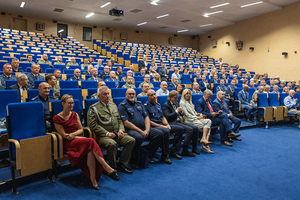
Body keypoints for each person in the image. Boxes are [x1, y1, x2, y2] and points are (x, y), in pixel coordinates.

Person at [54, 94, 119, 190]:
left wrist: (75, 134)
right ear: (63, 103)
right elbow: (64, 135)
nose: (71, 105)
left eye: (72, 103)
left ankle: (93, 179)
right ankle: (106, 167)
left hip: (80, 140)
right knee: (91, 141)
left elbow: (81, 130)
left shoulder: (74, 114)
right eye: (69, 103)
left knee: (90, 149)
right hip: (69, 143)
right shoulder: (57, 118)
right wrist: (75, 136)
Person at [88, 86, 135, 173]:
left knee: (131, 140)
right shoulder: (93, 108)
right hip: (102, 136)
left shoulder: (113, 105)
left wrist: (121, 129)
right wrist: (107, 133)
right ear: (99, 96)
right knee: (112, 144)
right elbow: (92, 125)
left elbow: (120, 120)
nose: (107, 96)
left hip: (116, 133)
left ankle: (121, 163)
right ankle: (112, 168)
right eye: (104, 94)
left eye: (108, 94)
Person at [118, 89, 165, 166]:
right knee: (138, 137)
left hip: (143, 128)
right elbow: (125, 123)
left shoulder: (139, 104)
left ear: (135, 95)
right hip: (131, 130)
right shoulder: (122, 106)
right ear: (126, 95)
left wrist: (147, 130)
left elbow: (146, 117)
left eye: (133, 94)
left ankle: (148, 155)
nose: (131, 95)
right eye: (129, 94)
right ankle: (135, 160)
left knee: (159, 134)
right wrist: (140, 131)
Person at [144, 89, 183, 160]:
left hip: (162, 125)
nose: (154, 96)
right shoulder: (145, 106)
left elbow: (163, 117)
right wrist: (163, 126)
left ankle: (174, 151)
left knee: (179, 129)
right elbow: (149, 122)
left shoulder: (158, 105)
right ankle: (165, 155)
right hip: (154, 126)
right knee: (166, 131)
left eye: (154, 94)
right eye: (151, 95)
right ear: (148, 97)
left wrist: (167, 124)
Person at [162, 90, 200, 157]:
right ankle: (184, 149)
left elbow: (181, 115)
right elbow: (167, 116)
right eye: (175, 98)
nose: (176, 99)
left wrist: (181, 112)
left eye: (177, 98)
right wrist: (176, 111)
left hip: (179, 121)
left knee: (195, 128)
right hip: (172, 123)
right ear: (170, 97)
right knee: (189, 130)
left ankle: (194, 147)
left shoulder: (176, 104)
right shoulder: (166, 105)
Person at [180, 89, 213, 153]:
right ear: (184, 94)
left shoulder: (190, 102)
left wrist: (199, 114)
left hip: (195, 119)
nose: (188, 95)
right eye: (187, 93)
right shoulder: (182, 103)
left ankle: (204, 139)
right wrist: (197, 117)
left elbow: (194, 112)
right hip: (189, 120)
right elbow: (187, 114)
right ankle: (206, 145)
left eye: (189, 93)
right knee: (207, 127)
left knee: (208, 121)